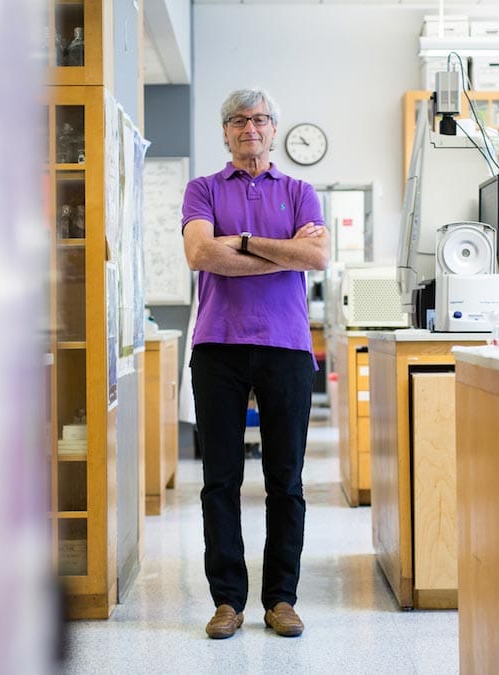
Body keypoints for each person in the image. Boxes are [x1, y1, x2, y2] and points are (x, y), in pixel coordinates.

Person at [181, 88, 329, 640]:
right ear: (225, 132)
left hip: (287, 347)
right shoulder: (202, 189)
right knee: (220, 479)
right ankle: (227, 602)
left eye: (260, 119)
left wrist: (238, 243)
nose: (250, 128)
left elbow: (315, 257)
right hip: (217, 346)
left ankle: (281, 599)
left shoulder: (299, 190)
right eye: (239, 121)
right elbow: (200, 254)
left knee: (285, 481)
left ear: (272, 129)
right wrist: (277, 249)